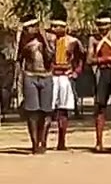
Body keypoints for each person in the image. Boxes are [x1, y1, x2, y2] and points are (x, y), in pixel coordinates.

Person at [18, 19, 54, 154]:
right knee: (32, 112)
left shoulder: (49, 39)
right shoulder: (24, 42)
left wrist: (43, 39)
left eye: (32, 28)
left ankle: (43, 140)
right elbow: (19, 60)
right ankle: (34, 143)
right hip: (30, 75)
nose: (29, 31)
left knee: (46, 111)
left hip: (46, 76)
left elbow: (50, 56)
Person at [47, 20, 84, 151]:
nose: (54, 29)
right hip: (51, 76)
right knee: (48, 110)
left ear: (64, 27)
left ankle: (61, 142)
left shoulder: (73, 42)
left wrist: (76, 72)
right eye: (53, 26)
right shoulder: (48, 41)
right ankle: (43, 142)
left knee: (63, 110)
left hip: (65, 77)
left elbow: (82, 57)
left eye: (57, 26)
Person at [90, 16, 111, 152]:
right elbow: (89, 60)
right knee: (100, 107)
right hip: (103, 72)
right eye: (99, 24)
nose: (102, 28)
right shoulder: (94, 39)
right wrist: (107, 59)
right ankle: (99, 142)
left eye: (105, 25)